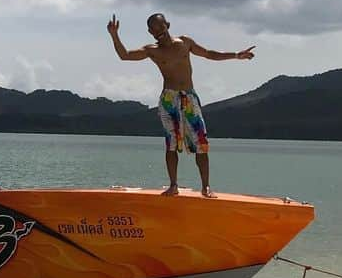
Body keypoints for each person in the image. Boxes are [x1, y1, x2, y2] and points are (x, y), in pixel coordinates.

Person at [106, 12, 255, 197]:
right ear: (150, 32)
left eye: (160, 26)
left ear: (167, 25)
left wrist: (236, 55)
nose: (158, 31)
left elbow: (209, 54)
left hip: (189, 97)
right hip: (169, 99)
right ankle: (173, 185)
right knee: (170, 144)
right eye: (153, 29)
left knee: (201, 143)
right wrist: (114, 35)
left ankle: (206, 187)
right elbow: (125, 55)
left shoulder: (185, 42)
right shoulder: (152, 50)